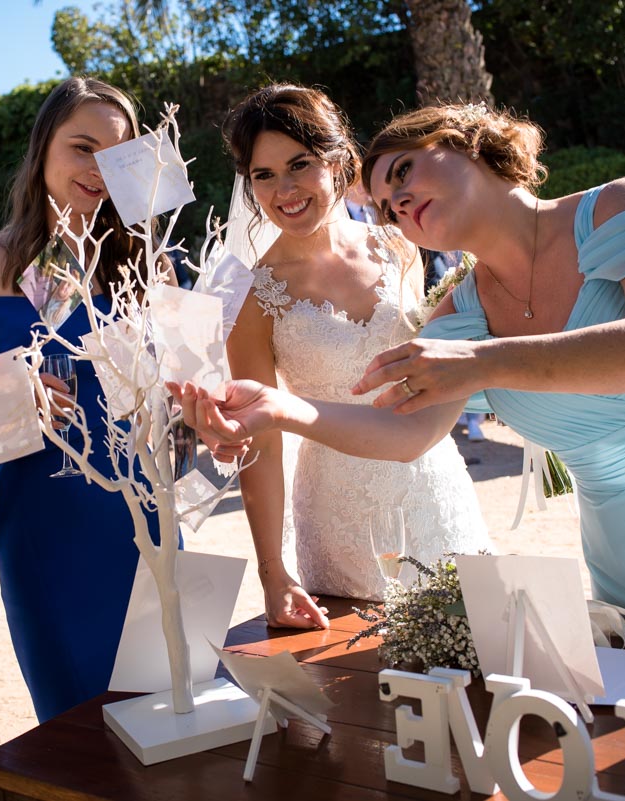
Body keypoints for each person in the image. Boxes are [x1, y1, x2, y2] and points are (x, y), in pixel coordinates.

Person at [174, 102, 625, 630]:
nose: (400, 204)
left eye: (404, 171)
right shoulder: (464, 311)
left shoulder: (613, 207)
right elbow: (410, 429)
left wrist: (482, 362)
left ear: (465, 141)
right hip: (617, 551)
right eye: (387, 205)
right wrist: (280, 409)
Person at [219, 84, 489, 629]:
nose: (283, 190)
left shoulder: (399, 245)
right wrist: (273, 574)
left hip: (431, 482)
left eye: (299, 165)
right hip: (338, 514)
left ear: (338, 160)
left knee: (475, 641)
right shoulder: (251, 295)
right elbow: (262, 443)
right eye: (263, 175)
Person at [0, 77, 167, 722]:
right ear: (43, 147)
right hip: (38, 518)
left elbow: (180, 396)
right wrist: (12, 396)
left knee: (161, 705)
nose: (99, 169)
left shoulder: (149, 265)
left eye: (117, 155)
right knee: (73, 722)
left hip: (142, 512)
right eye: (82, 147)